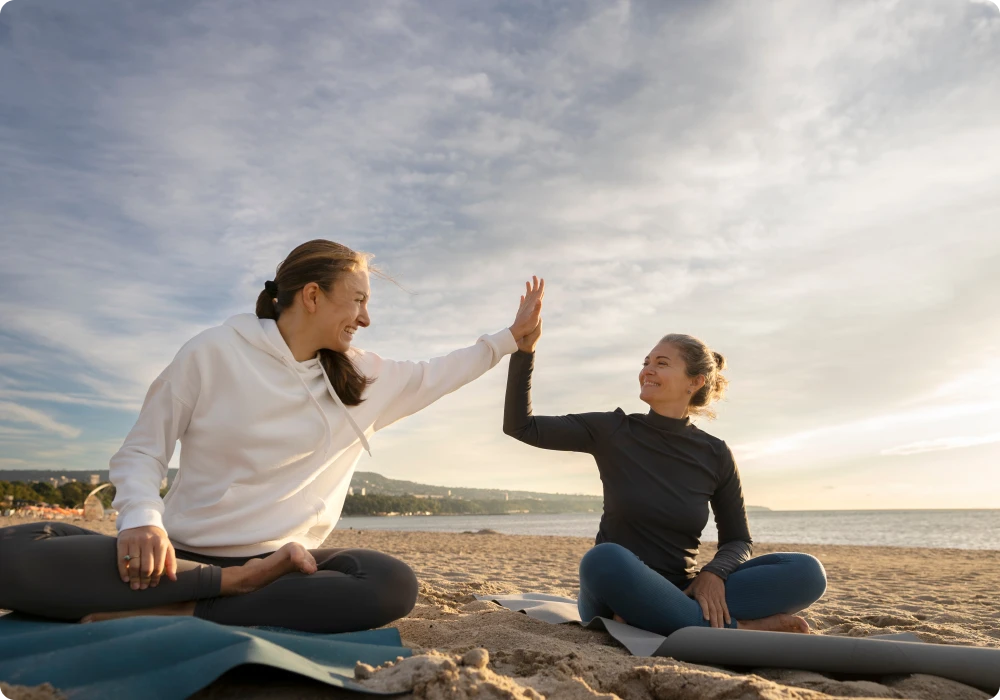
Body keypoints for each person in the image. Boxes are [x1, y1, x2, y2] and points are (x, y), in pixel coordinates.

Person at [0, 240, 544, 633]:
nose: (366, 317)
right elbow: (144, 448)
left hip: (287, 568)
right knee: (14, 552)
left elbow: (438, 372)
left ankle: (185, 612)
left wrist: (509, 340)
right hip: (181, 563)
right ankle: (214, 596)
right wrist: (142, 519)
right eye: (357, 300)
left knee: (390, 582)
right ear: (312, 296)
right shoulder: (211, 352)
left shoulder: (365, 378)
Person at [503, 312, 827, 636]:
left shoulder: (715, 453)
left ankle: (665, 616)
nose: (647, 370)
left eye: (661, 363)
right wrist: (525, 353)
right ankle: (738, 627)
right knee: (602, 559)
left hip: (682, 589)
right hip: (616, 587)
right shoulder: (612, 429)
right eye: (646, 362)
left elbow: (739, 539)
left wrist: (713, 574)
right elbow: (521, 426)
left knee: (807, 572)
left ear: (694, 381)